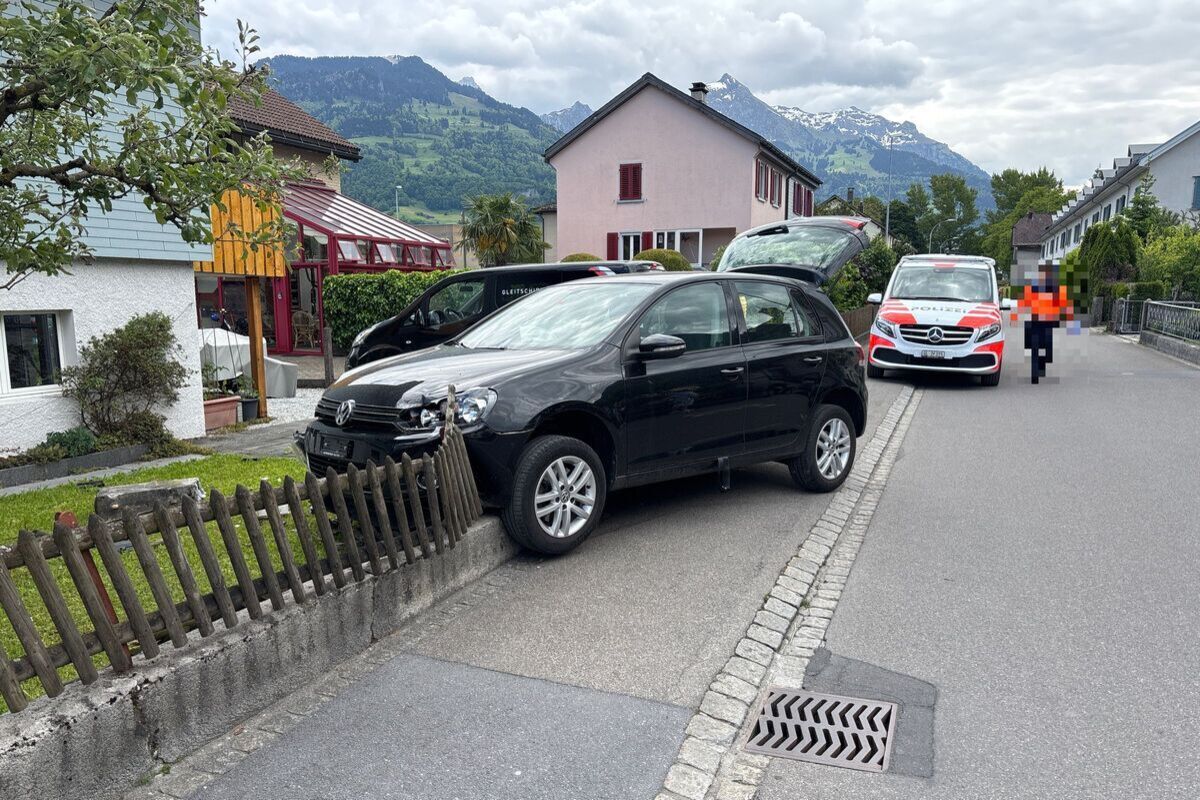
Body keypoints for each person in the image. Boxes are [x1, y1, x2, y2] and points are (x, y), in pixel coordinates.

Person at [1020, 262, 1074, 384]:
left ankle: (1041, 362)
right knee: (1043, 343)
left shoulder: (1044, 286)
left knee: (1040, 343)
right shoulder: (1056, 286)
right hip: (1044, 319)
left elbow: (1026, 300)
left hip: (1040, 319)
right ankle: (1041, 363)